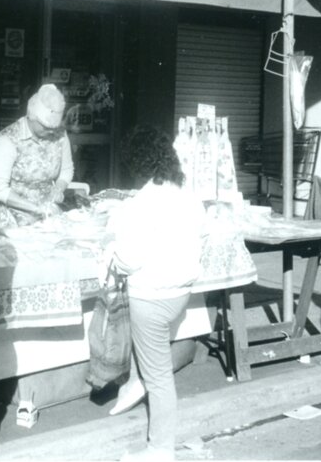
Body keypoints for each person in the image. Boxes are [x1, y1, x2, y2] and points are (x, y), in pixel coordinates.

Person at [104, 126, 207, 461]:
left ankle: (160, 449)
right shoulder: (188, 196)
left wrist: (112, 254)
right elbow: (201, 238)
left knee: (159, 377)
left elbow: (129, 260)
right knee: (155, 361)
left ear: (137, 163)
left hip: (151, 296)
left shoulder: (141, 203)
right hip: (180, 292)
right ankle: (137, 380)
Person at [0, 83, 74, 227]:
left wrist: (59, 188)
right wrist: (35, 209)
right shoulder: (7, 139)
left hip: (49, 215)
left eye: (55, 127)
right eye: (46, 127)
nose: (52, 132)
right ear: (31, 117)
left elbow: (66, 170)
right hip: (14, 218)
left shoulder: (59, 135)